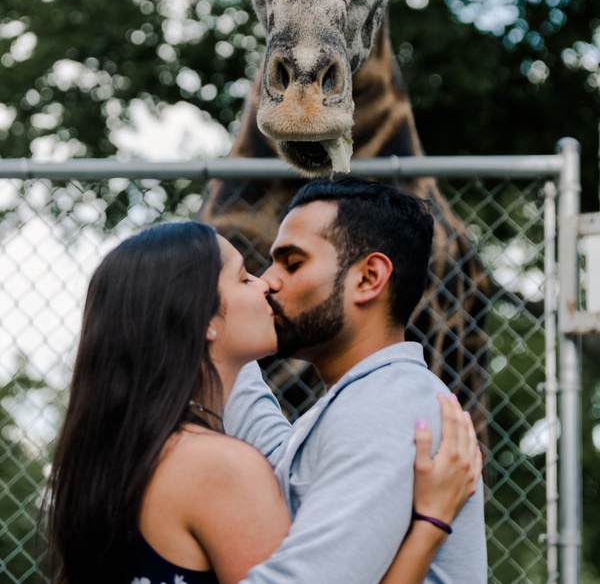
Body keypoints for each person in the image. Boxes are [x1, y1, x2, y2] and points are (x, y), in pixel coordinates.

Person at [43, 219, 481, 584]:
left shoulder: (128, 453)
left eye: (287, 265)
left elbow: (253, 412)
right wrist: (431, 524)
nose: (266, 284)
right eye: (244, 277)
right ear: (203, 318)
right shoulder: (219, 467)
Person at [224, 175, 488, 584]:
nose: (266, 281)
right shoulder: (364, 398)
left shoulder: (388, 408)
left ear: (368, 279)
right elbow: (271, 449)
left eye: (292, 263)